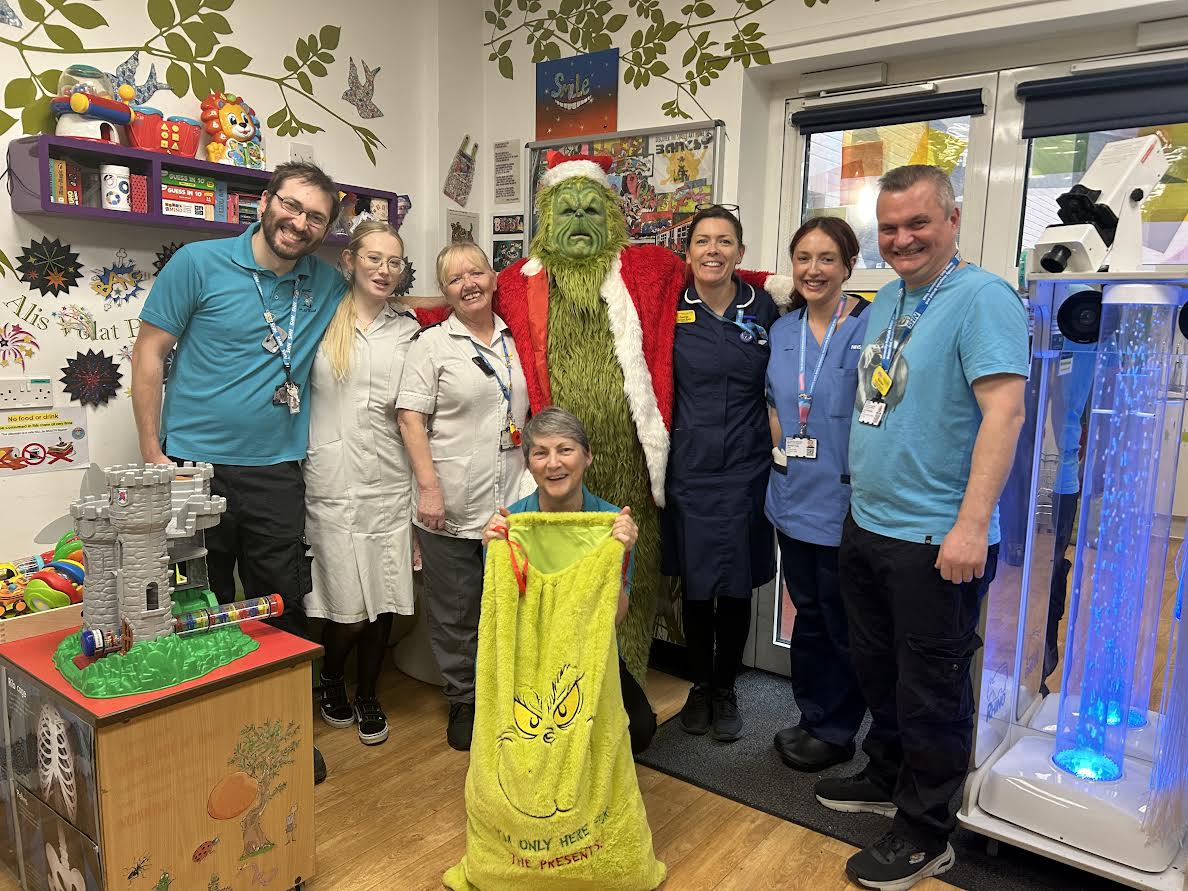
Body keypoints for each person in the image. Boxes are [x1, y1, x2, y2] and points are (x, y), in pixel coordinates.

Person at [813, 165, 1029, 890]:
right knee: (879, 670)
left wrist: (971, 526)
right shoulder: (889, 298)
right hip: (870, 523)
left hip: (938, 538)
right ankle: (888, 774)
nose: (902, 238)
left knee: (932, 688)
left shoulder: (983, 298)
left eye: (918, 223)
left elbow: (1005, 414)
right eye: (890, 226)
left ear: (952, 221)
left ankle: (927, 830)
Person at [132, 161, 346, 785]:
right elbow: (149, 354)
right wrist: (153, 456)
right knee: (194, 602)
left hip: (276, 471)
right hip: (191, 467)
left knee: (281, 603)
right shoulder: (198, 264)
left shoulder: (325, 283)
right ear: (265, 201)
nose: (299, 223)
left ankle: (282, 733)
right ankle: (202, 734)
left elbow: (382, 300)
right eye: (291, 206)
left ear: (325, 230)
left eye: (315, 217)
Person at [396, 243, 529, 751]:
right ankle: (465, 699)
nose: (468, 284)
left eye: (476, 273)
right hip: (450, 499)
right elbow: (410, 420)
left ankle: (506, 692)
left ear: (493, 279)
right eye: (455, 279)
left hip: (512, 499)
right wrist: (429, 489)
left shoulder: (519, 338)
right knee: (454, 610)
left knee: (510, 603)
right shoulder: (432, 345)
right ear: (445, 292)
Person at [663, 205, 778, 743]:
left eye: (724, 241)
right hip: (688, 468)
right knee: (695, 583)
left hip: (747, 467)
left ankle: (726, 687)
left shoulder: (766, 307)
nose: (713, 250)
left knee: (734, 586)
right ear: (687, 253)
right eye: (703, 241)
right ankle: (700, 685)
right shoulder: (670, 307)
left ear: (740, 252)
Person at [481, 407, 657, 754]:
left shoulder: (611, 523)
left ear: (587, 456)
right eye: (540, 453)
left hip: (591, 653)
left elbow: (615, 617)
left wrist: (620, 554)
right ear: (528, 464)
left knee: (638, 730)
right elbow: (502, 617)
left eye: (565, 449)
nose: (553, 463)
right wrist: (494, 549)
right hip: (529, 658)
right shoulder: (512, 525)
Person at [304, 220, 419, 747]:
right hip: (331, 480)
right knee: (347, 604)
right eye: (374, 258)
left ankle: (369, 692)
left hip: (391, 482)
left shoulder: (409, 330)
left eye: (394, 262)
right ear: (349, 261)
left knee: (385, 597)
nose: (384, 270)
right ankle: (331, 676)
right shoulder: (319, 320)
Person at [766, 217, 870, 771]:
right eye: (803, 258)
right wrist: (779, 447)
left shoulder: (871, 326)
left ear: (848, 265)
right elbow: (774, 403)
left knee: (840, 620)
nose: (813, 269)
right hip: (793, 496)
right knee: (806, 613)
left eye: (827, 258)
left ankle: (837, 730)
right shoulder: (784, 330)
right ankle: (813, 718)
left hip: (846, 501)